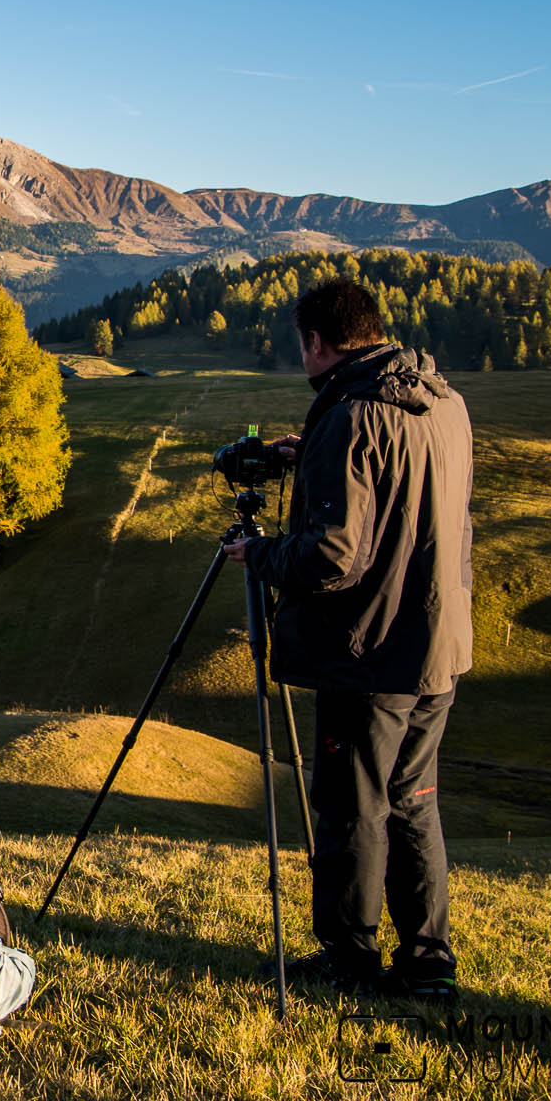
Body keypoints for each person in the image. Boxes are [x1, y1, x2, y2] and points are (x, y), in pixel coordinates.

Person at [224, 278, 474, 999]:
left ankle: (349, 956)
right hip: (437, 644)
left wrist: (260, 555)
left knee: (352, 806)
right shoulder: (442, 400)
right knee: (415, 798)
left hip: (370, 651)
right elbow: (412, 494)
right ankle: (428, 962)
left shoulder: (354, 417)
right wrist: (317, 457)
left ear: (317, 341)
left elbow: (333, 557)